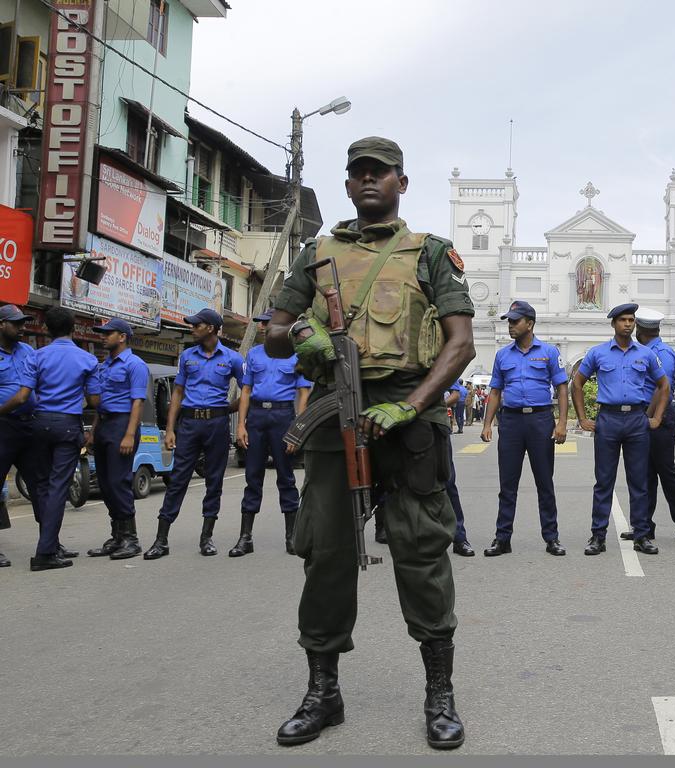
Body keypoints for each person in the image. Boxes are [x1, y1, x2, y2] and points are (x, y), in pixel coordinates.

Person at [265, 137, 474, 749]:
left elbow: (460, 342)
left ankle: (440, 695)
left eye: (379, 174)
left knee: (421, 553)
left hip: (409, 420)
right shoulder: (317, 254)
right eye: (357, 174)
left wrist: (408, 407)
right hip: (335, 421)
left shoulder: (430, 254)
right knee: (326, 553)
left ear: (401, 183)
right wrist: (303, 334)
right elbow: (273, 330)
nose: (366, 183)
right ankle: (322, 692)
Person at [143, 308, 244, 560]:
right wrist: (169, 429)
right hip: (188, 425)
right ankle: (161, 539)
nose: (192, 328)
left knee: (214, 481)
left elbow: (248, 391)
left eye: (196, 325)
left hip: (217, 425)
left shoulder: (232, 358)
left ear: (210, 328)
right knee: (178, 479)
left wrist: (231, 412)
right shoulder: (187, 356)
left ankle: (206, 537)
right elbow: (177, 393)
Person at [572, 303, 669, 556]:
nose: (628, 324)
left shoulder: (645, 354)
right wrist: (583, 418)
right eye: (623, 320)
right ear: (613, 323)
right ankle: (598, 536)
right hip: (609, 420)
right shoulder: (598, 353)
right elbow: (577, 383)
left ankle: (641, 535)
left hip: (637, 419)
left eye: (631, 320)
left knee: (639, 482)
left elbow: (663, 385)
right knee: (604, 481)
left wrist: (656, 417)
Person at [480, 300, 568, 556]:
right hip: (511, 422)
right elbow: (495, 391)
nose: (510, 325)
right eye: (509, 321)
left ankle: (551, 538)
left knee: (544, 482)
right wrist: (487, 424)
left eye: (515, 321)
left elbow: (562, 387)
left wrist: (561, 423)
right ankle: (502, 538)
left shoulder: (549, 352)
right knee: (507, 484)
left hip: (540, 421)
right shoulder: (502, 355)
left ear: (530, 324)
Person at [232, 310, 312, 558]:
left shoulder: (297, 354)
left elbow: (304, 394)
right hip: (256, 417)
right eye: (261, 324)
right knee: (252, 477)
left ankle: (292, 537)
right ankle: (245, 538)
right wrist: (241, 425)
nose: (263, 327)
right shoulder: (254, 354)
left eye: (267, 323)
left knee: (286, 478)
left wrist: (297, 429)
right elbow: (245, 391)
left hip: (283, 418)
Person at [27, 308, 99, 570]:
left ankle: (51, 543)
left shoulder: (36, 356)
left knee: (44, 486)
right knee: (59, 487)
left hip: (39, 422)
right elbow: (93, 400)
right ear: (73, 329)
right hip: (68, 424)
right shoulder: (87, 360)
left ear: (47, 330)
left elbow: (27, 393)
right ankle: (45, 552)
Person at [84, 318, 149, 561]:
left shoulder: (135, 365)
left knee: (119, 481)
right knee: (105, 483)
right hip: (105, 425)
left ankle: (131, 540)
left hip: (123, 425)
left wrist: (130, 434)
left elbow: (137, 402)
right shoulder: (104, 366)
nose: (103, 337)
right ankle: (117, 536)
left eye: (107, 333)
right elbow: (101, 404)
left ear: (122, 337)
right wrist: (93, 431)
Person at [627, 307, 675, 544]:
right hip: (644, 417)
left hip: (658, 418)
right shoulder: (644, 350)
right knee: (644, 474)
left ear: (641, 330)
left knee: (666, 472)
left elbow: (661, 387)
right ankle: (644, 525)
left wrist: (649, 416)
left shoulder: (662, 352)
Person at [0, 304, 39, 569]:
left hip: (30, 426)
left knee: (42, 485)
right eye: (17, 323)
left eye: (23, 322)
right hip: (3, 425)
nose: (22, 327)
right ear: (2, 324)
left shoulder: (28, 351)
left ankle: (50, 544)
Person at [443, 387, 475, 557]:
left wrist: (431, 404)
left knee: (448, 483)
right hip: (400, 426)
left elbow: (455, 394)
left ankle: (459, 538)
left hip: (434, 424)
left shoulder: (439, 360)